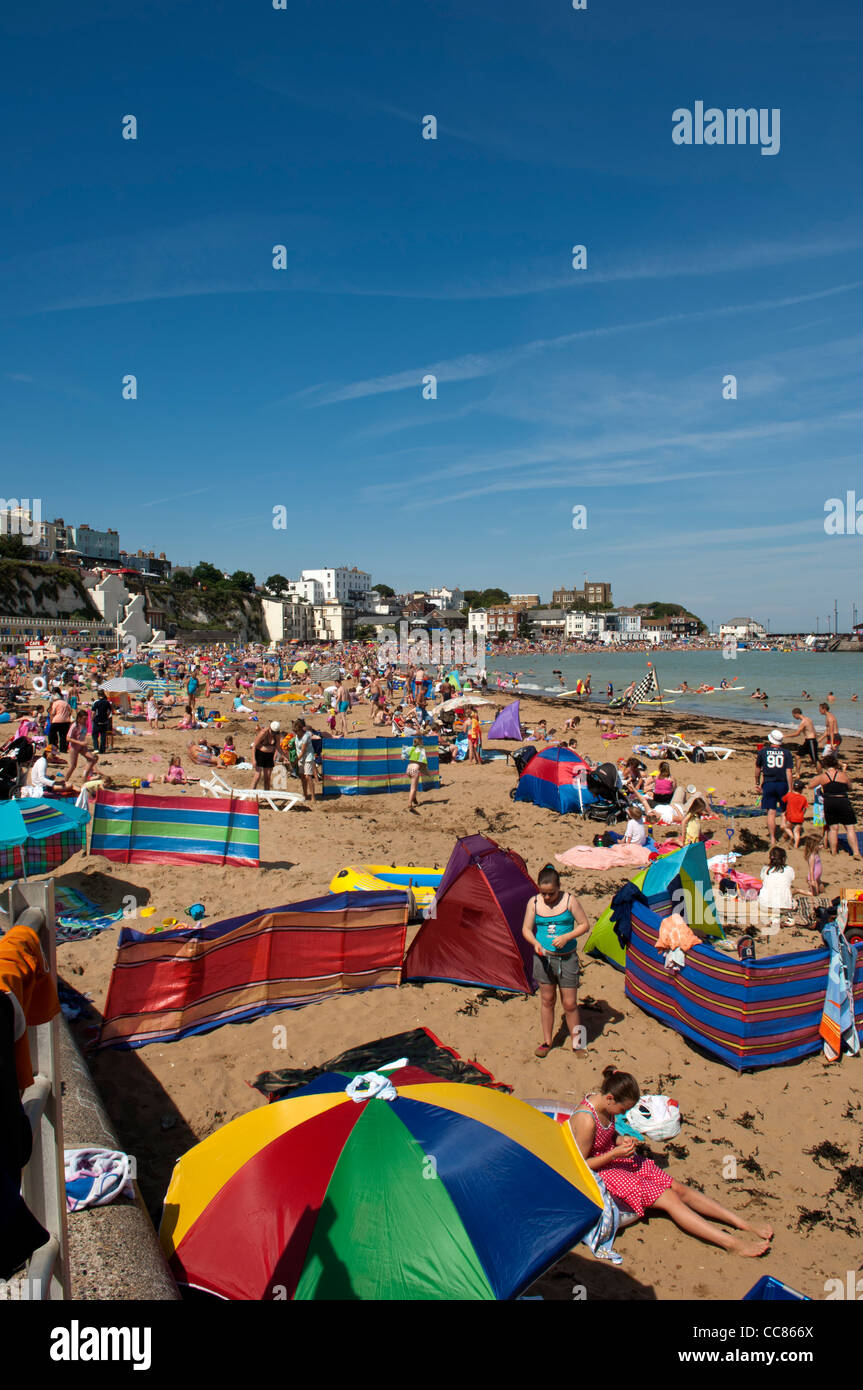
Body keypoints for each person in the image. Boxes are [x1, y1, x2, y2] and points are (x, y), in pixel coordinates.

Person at [569, 1068, 772, 1256]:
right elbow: (581, 1164)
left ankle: (741, 1223)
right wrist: (614, 1154)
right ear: (611, 1098)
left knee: (678, 1188)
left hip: (612, 1159)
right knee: (669, 1198)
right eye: (623, 1110)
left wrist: (621, 1141)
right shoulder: (587, 1120)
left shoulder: (606, 1105)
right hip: (600, 1171)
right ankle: (730, 1243)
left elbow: (607, 1138)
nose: (623, 1115)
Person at [521, 864, 591, 1058]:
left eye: (551, 893)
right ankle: (547, 1041)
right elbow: (526, 929)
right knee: (547, 999)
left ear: (559, 887)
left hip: (567, 959)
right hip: (543, 959)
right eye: (543, 893)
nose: (547, 898)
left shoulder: (570, 901)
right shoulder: (533, 903)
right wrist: (535, 943)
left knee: (570, 1003)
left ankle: (578, 1044)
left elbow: (584, 924)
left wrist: (567, 937)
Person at [808, 754, 861, 858]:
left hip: (829, 801)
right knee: (850, 828)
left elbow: (810, 785)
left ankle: (834, 852)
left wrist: (819, 778)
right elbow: (849, 787)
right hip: (842, 800)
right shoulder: (842, 775)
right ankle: (856, 852)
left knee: (833, 828)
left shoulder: (822, 777)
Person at [755, 730, 794, 847]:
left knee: (771, 813)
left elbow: (757, 769)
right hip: (782, 783)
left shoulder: (763, 752)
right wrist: (790, 788)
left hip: (768, 783)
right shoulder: (786, 753)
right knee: (784, 810)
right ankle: (783, 826)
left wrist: (757, 782)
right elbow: (789, 771)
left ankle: (772, 838)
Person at [758, 846, 795, 912]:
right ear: (783, 858)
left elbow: (763, 880)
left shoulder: (765, 869)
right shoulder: (789, 869)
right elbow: (791, 880)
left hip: (764, 906)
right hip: (784, 907)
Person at [66, 711, 99, 783]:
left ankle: (85, 776)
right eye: (84, 719)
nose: (85, 720)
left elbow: (82, 736)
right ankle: (65, 780)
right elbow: (68, 738)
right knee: (73, 766)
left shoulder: (84, 725)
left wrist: (83, 743)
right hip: (74, 747)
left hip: (82, 747)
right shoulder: (74, 725)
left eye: (86, 719)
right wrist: (79, 742)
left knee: (92, 759)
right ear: (79, 718)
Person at [292, 719, 316, 802]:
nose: (295, 733)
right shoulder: (296, 736)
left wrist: (295, 760)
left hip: (308, 757)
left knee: (308, 776)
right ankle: (305, 794)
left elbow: (303, 751)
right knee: (302, 776)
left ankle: (313, 796)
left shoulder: (306, 736)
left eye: (296, 731)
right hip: (301, 758)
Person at [252, 721, 280, 791]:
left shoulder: (277, 734)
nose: (274, 733)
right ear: (270, 728)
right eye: (273, 732)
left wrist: (285, 757)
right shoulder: (264, 733)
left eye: (275, 732)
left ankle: (267, 795)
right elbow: (254, 745)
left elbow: (278, 747)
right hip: (260, 754)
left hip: (269, 755)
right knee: (257, 776)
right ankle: (251, 794)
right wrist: (253, 759)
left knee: (267, 777)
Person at [781, 779, 808, 848]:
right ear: (801, 790)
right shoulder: (803, 798)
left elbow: (783, 800)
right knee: (797, 832)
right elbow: (804, 809)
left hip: (791, 817)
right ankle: (796, 845)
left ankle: (791, 836)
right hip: (799, 818)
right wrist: (802, 814)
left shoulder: (789, 795)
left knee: (787, 827)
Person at [406, 733, 428, 812]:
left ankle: (414, 799)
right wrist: (425, 770)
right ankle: (409, 803)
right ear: (421, 742)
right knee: (413, 788)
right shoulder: (422, 750)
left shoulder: (410, 748)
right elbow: (424, 762)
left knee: (413, 785)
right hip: (415, 770)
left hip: (408, 769)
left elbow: (403, 758)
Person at [91, 689, 112, 755]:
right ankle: (102, 749)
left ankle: (96, 748)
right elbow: (109, 711)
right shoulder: (107, 702)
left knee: (95, 735)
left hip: (97, 721)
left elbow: (93, 712)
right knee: (103, 736)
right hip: (104, 721)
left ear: (98, 695)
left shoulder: (96, 702)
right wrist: (106, 717)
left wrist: (92, 719)